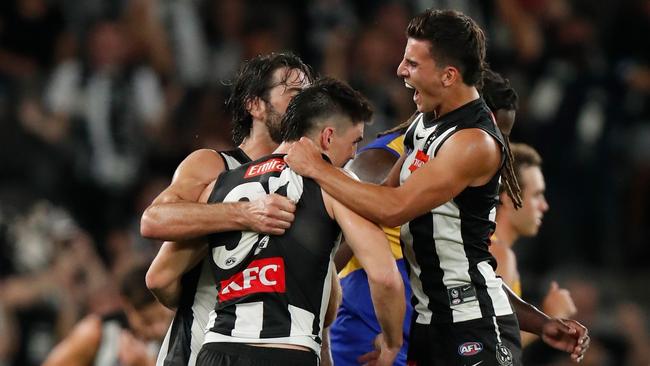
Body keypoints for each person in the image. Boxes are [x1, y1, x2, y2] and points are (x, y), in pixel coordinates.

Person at [285, 9, 589, 365]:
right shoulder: (426, 124)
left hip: (473, 328)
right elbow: (376, 209)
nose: (400, 70)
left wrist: (318, 169)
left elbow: (394, 207)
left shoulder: (473, 143)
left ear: (448, 75)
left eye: (412, 63)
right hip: (430, 325)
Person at [196, 78, 405, 366]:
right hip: (287, 349)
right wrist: (392, 343)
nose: (354, 154)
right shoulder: (334, 184)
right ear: (328, 137)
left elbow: (161, 278)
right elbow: (384, 276)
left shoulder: (219, 185)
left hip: (215, 349)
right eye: (355, 141)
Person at [329, 68, 519, 366]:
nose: (502, 144)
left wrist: (543, 323)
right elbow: (341, 251)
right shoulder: (382, 161)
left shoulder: (464, 185)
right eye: (498, 130)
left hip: (422, 336)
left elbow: (465, 271)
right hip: (370, 341)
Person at [140, 53, 314, 366]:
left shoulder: (306, 181)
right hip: (199, 352)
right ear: (255, 105)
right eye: (294, 93)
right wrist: (245, 213)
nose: (307, 104)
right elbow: (153, 220)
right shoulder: (215, 165)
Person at [491, 143, 578, 345]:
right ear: (510, 198)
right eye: (537, 194)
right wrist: (549, 318)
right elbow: (495, 347)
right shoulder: (499, 255)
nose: (544, 205)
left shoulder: (492, 249)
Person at [43, 264, 173, 366]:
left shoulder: (180, 333)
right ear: (127, 306)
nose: (159, 329)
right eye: (147, 321)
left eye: (162, 317)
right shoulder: (97, 333)